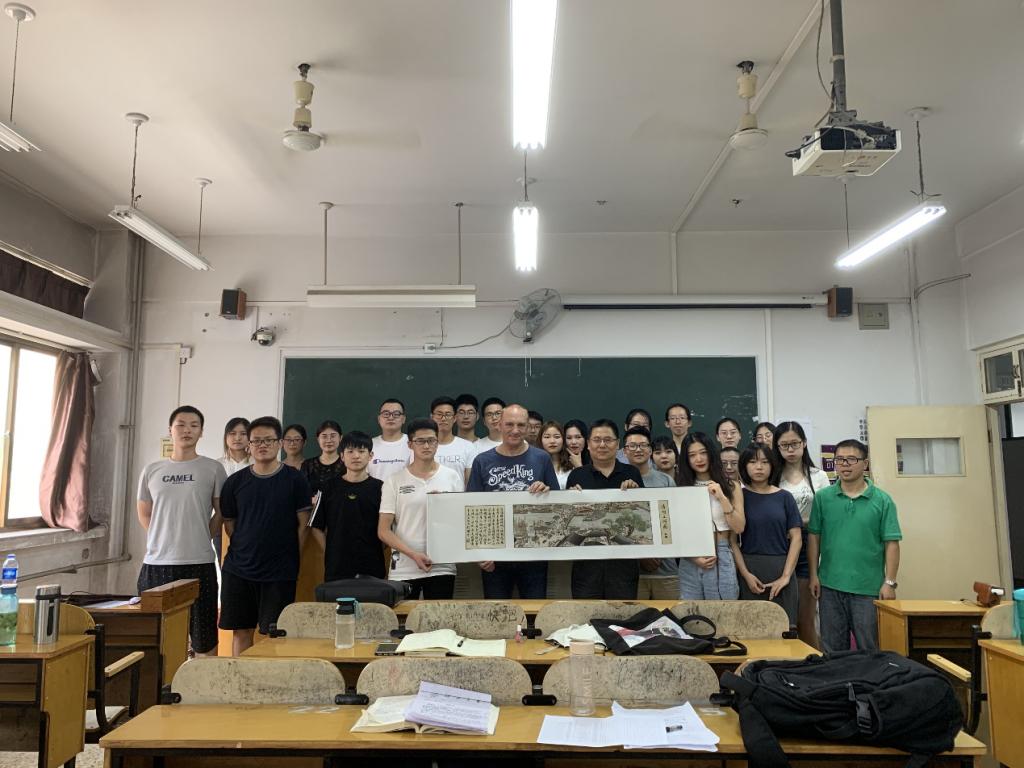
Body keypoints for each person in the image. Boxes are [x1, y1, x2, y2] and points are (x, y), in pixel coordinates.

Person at [137, 406, 226, 656]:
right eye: (181, 424)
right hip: (157, 564)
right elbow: (144, 513)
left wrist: (203, 536)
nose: (187, 430)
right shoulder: (152, 470)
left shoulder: (212, 468)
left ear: (201, 432)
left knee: (204, 639)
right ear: (170, 430)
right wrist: (163, 538)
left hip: (199, 562)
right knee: (157, 640)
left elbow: (221, 512)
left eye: (194, 425)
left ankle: (203, 681)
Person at [219, 416, 312, 656]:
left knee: (275, 634)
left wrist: (291, 557)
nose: (262, 445)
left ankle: (270, 679)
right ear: (249, 445)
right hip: (239, 569)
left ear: (279, 443)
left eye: (269, 440)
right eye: (257, 441)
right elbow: (230, 524)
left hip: (279, 571)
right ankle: (241, 678)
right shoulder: (234, 482)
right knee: (241, 631)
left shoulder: (295, 479)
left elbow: (303, 525)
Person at [808, 439, 902, 653]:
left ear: (865, 463)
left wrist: (889, 582)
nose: (845, 464)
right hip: (830, 586)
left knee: (869, 649)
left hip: (868, 589)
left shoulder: (882, 500)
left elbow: (892, 543)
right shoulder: (823, 498)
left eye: (851, 459)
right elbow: (814, 538)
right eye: (839, 459)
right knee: (832, 650)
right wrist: (814, 575)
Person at [468, 404, 558, 598]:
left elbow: (557, 506)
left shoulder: (542, 458)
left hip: (534, 554)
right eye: (509, 424)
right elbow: (471, 511)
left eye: (521, 425)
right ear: (499, 425)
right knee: (497, 612)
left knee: (535, 611)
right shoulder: (482, 461)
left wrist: (546, 491)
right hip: (494, 555)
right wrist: (479, 553)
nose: (515, 430)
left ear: (528, 427)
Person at [378, 418, 464, 599]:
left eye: (431, 440)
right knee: (405, 617)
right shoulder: (394, 480)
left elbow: (461, 521)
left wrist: (445, 506)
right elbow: (383, 531)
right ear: (410, 444)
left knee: (440, 616)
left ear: (437, 442)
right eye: (420, 441)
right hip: (404, 567)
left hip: (442, 565)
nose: (426, 446)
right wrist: (413, 554)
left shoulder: (451, 477)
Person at [565, 419, 643, 599]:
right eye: (596, 440)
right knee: (586, 614)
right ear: (588, 444)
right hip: (586, 567)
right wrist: (569, 501)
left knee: (623, 614)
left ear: (618, 444)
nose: (602, 445)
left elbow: (642, 522)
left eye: (608, 440)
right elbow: (569, 525)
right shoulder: (577, 475)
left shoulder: (632, 473)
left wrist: (636, 495)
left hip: (623, 566)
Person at [773, 421, 830, 647]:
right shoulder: (772, 476)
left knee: (806, 618)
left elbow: (825, 516)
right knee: (782, 621)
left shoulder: (819, 476)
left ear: (804, 443)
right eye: (784, 445)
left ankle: (815, 662)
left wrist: (798, 524)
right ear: (777, 447)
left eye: (795, 443)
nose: (790, 449)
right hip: (779, 545)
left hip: (809, 543)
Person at [731, 443, 802, 628]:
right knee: (750, 629)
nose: (759, 467)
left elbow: (796, 538)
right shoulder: (739, 496)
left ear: (772, 465)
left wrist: (786, 576)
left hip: (781, 567)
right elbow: (732, 542)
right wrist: (745, 575)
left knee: (785, 629)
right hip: (749, 570)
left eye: (764, 462)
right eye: (753, 462)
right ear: (744, 466)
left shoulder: (785, 497)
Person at [677, 432, 745, 600]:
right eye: (692, 455)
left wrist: (722, 497)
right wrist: (694, 557)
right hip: (691, 556)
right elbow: (677, 532)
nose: (699, 459)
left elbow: (739, 527)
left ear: (711, 453)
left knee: (724, 609)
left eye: (703, 452)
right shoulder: (681, 487)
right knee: (691, 610)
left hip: (721, 551)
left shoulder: (731, 486)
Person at [310, 430, 385, 581]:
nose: (356, 456)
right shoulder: (328, 487)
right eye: (350, 451)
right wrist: (330, 550)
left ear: (370, 455)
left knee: (372, 598)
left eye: (361, 451)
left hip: (372, 565)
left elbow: (388, 527)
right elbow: (316, 526)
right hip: (337, 566)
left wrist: (376, 548)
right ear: (342, 456)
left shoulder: (381, 488)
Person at [623, 426, 679, 600]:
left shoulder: (666, 480)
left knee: (671, 615)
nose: (638, 450)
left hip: (666, 570)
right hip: (631, 574)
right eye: (633, 446)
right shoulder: (618, 482)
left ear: (649, 450)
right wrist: (641, 556)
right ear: (624, 451)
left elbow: (675, 521)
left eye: (643, 445)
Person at [215, 416, 252, 563]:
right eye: (232, 433)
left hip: (250, 522)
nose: (237, 438)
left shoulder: (257, 463)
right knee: (225, 564)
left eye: (243, 434)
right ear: (226, 437)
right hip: (221, 522)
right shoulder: (216, 465)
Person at [301, 420, 344, 507]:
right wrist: (310, 499)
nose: (329, 440)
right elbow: (300, 493)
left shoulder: (347, 464)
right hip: (313, 512)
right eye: (324, 436)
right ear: (318, 439)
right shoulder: (307, 465)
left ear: (340, 438)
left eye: (333, 436)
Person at [431, 396, 475, 480]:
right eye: (439, 414)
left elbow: (469, 483)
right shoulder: (424, 446)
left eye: (448, 414)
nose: (443, 419)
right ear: (432, 417)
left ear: (454, 418)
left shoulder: (468, 447)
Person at [369, 398, 412, 481]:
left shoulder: (413, 444)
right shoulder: (369, 444)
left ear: (403, 419)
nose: (391, 417)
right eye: (386, 414)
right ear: (379, 419)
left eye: (396, 414)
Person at [540, 420, 574, 489]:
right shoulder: (534, 465)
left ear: (563, 440)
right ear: (540, 440)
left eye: (557, 437)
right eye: (547, 437)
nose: (552, 441)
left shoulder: (572, 464)